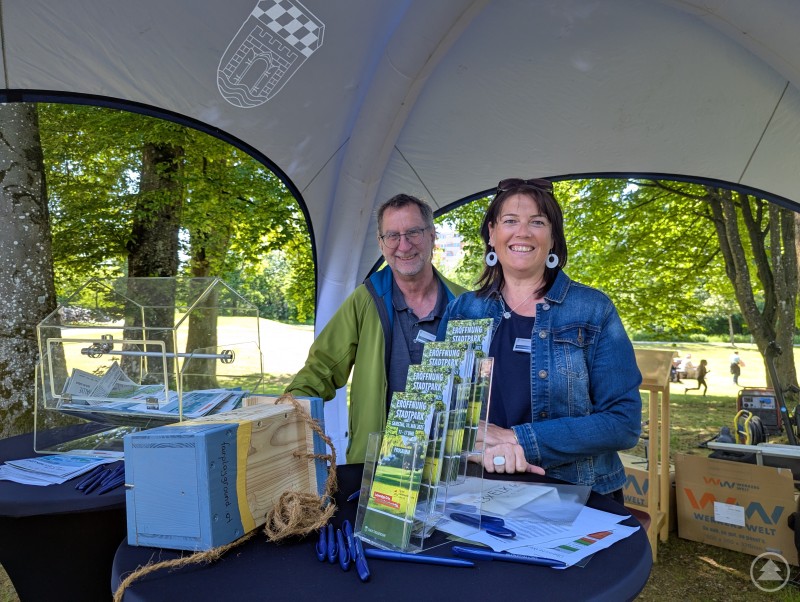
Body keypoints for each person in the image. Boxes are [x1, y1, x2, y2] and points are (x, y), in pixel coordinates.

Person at [438, 178, 642, 499]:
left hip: (574, 493)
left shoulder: (592, 309)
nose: (522, 232)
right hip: (475, 487)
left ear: (553, 237)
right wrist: (471, 445)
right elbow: (437, 406)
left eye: (537, 222)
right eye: (510, 221)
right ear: (492, 233)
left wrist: (516, 439)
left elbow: (623, 422)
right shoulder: (463, 310)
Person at [285, 194, 466, 463]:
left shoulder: (466, 304)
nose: (403, 245)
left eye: (413, 232)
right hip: (375, 466)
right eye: (392, 236)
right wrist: (284, 411)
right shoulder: (366, 299)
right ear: (381, 244)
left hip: (450, 464)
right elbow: (321, 369)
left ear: (432, 235)